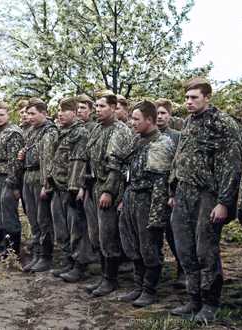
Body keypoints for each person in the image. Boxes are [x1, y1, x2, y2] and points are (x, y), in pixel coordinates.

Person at [169, 77, 242, 322]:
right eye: (186, 98)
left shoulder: (222, 123)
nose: (188, 102)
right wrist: (173, 190)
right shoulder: (189, 121)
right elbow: (180, 157)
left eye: (194, 97)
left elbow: (231, 166)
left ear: (207, 97)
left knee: (205, 251)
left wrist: (223, 202)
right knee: (185, 250)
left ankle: (210, 303)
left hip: (207, 196)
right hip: (183, 194)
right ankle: (193, 300)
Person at [118, 100, 175, 307]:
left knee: (149, 246)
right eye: (132, 118)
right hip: (132, 196)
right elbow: (127, 172)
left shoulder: (161, 144)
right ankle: (138, 286)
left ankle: (149, 290)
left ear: (149, 120)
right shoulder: (137, 141)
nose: (132, 122)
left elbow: (160, 183)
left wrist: (156, 215)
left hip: (148, 200)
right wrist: (124, 199)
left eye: (136, 119)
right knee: (132, 244)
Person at [83, 92, 133, 297]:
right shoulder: (97, 128)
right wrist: (84, 187)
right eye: (96, 106)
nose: (98, 109)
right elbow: (88, 158)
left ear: (113, 107)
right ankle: (104, 275)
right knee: (96, 234)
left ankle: (110, 279)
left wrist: (108, 192)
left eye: (102, 106)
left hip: (109, 188)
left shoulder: (119, 130)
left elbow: (116, 166)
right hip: (94, 185)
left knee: (107, 235)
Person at [48, 97, 96, 282]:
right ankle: (68, 261)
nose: (60, 114)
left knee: (77, 229)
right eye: (59, 111)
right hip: (58, 186)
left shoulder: (80, 133)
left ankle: (80, 265)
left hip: (71, 189)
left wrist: (74, 189)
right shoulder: (62, 131)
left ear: (75, 113)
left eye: (65, 110)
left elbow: (78, 163)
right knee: (62, 229)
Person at [19, 98, 58, 272]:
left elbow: (48, 160)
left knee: (43, 220)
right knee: (33, 219)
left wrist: (46, 184)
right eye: (28, 113)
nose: (29, 117)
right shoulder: (32, 131)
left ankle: (45, 256)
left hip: (40, 177)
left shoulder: (49, 132)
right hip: (28, 175)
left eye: (33, 113)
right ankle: (36, 253)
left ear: (44, 113)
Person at [0, 102, 25, 257]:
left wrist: (13, 184)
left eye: (1, 114)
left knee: (9, 215)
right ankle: (5, 246)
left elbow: (15, 162)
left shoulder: (13, 133)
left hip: (7, 178)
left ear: (9, 114)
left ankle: (13, 250)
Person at [155, 98, 184, 288]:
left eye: (163, 113)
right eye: (156, 113)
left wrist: (173, 193)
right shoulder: (147, 135)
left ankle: (182, 269)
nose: (159, 117)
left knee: (175, 234)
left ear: (170, 115)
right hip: (152, 194)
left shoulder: (177, 137)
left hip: (171, 192)